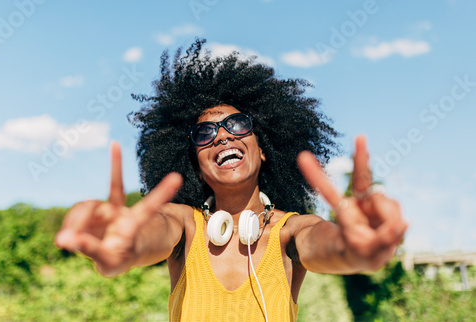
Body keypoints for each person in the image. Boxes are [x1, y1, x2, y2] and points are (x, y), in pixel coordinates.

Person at [55, 39, 407, 321]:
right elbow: (151, 233)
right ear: (194, 160)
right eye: (205, 133)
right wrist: (125, 246)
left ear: (264, 148)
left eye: (237, 125)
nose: (222, 137)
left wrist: (358, 249)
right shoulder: (184, 226)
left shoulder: (291, 232)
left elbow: (328, 246)